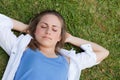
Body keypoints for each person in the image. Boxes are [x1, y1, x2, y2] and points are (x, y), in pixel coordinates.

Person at [0, 10, 109, 80]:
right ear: (35, 30)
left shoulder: (69, 61)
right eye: (43, 26)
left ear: (60, 36)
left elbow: (103, 52)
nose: (48, 31)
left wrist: (71, 39)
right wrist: (27, 28)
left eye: (54, 29)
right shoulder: (22, 48)